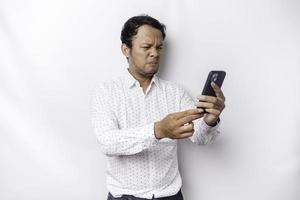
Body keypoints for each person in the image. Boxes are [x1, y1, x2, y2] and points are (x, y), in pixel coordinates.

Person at [91, 14, 226, 200]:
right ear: (126, 50)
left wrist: (210, 121)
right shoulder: (106, 92)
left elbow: (199, 137)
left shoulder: (175, 93)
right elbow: (108, 143)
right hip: (125, 197)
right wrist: (158, 130)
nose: (155, 53)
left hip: (170, 195)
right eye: (146, 47)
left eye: (159, 47)